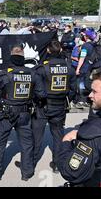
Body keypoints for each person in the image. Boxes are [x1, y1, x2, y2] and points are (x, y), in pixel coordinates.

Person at [0, 45, 46, 181]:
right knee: (27, 144)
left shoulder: (5, 74)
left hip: (7, 113)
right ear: (23, 58)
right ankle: (27, 172)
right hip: (25, 113)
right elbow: (41, 94)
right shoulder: (32, 74)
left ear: (11, 57)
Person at [58, 71, 101, 187]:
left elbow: (71, 172)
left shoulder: (94, 134)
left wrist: (66, 142)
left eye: (95, 91)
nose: (89, 95)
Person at [27, 41, 76, 173]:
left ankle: (30, 163)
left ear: (48, 50)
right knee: (58, 136)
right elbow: (73, 90)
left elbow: (34, 87)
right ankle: (56, 164)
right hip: (59, 106)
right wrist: (65, 100)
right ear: (60, 51)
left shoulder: (42, 68)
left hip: (42, 106)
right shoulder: (69, 67)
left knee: (36, 136)